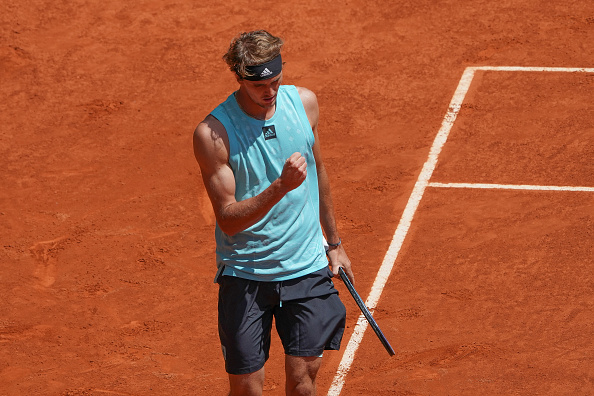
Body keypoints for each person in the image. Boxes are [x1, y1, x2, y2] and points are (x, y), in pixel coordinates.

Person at [193, 30, 354, 396]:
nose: (269, 92)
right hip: (246, 273)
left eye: (275, 81)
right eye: (258, 85)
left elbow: (319, 173)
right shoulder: (213, 133)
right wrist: (280, 187)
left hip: (306, 268)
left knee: (303, 383)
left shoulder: (304, 103)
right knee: (248, 389)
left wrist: (334, 243)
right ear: (238, 78)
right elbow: (228, 219)